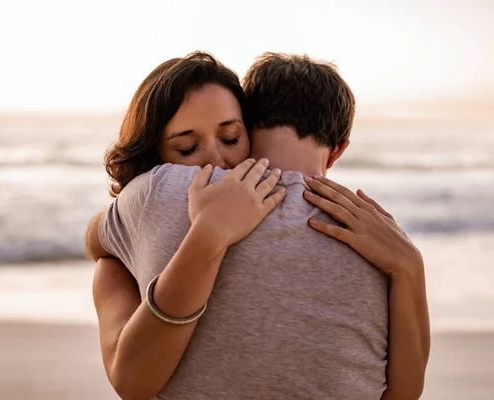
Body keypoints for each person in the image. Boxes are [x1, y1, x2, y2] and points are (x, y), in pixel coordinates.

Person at [87, 52, 429, 399]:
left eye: (230, 139)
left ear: (249, 128)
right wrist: (410, 268)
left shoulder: (159, 190)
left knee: (110, 264)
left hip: (140, 365)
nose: (216, 162)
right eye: (189, 148)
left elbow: (97, 240)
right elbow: (403, 394)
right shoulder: (380, 237)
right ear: (338, 150)